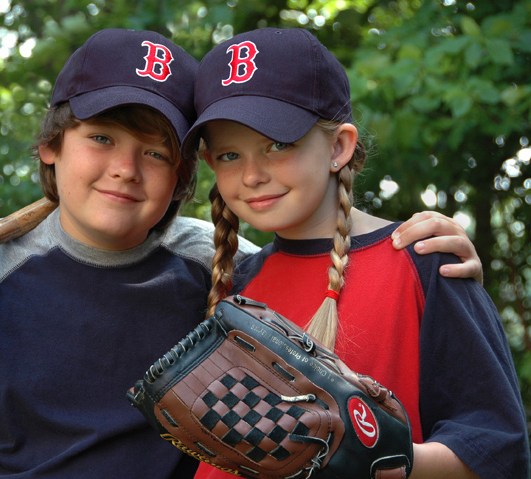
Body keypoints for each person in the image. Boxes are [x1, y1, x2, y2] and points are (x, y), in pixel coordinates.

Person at [0, 28, 484, 479]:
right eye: (101, 136)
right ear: (51, 144)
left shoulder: (218, 265)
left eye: (154, 151)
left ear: (181, 177)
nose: (124, 168)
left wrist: (432, 248)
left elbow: (325, 254)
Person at [181, 28, 529, 479]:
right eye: (230, 155)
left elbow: (498, 451)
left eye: (279, 145)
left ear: (338, 147)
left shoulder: (424, 260)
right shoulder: (235, 282)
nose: (252, 175)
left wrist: (386, 454)